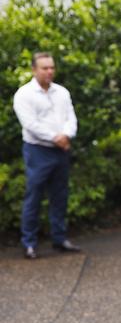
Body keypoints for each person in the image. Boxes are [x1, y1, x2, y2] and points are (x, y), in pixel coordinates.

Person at [13, 53, 81, 259]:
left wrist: (67, 135)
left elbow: (71, 117)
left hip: (61, 150)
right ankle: (29, 244)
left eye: (52, 67)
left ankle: (59, 239)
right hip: (38, 151)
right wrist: (55, 137)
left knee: (60, 197)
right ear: (34, 70)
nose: (49, 71)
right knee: (34, 197)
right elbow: (30, 124)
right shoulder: (24, 94)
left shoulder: (62, 92)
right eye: (44, 68)